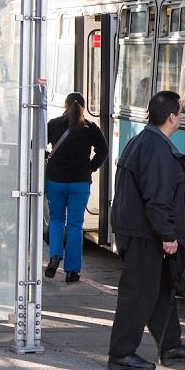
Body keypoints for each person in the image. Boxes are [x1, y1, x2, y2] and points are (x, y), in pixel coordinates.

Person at [107, 91, 185, 370]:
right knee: (138, 293)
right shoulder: (157, 149)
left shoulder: (142, 140)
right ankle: (121, 354)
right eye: (181, 112)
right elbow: (157, 199)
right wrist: (168, 235)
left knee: (160, 290)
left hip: (136, 229)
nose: (181, 117)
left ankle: (170, 346)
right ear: (172, 117)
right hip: (143, 233)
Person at [45, 92, 108, 283]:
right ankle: (72, 271)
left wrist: (49, 156)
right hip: (80, 183)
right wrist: (91, 167)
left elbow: (36, 145)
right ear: (83, 107)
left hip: (55, 181)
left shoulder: (54, 124)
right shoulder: (90, 128)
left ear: (65, 106)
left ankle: (55, 255)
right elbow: (103, 151)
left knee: (56, 219)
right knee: (75, 225)